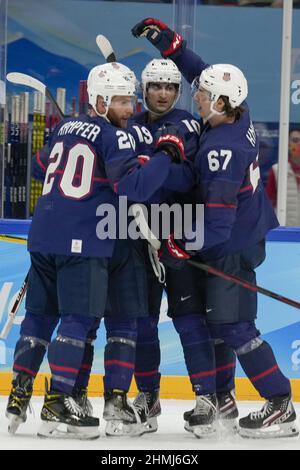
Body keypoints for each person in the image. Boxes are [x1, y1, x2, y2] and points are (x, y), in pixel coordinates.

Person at [131, 18, 299, 439]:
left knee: (234, 327)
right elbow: (200, 71)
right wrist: (172, 47)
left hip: (231, 243)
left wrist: (180, 244)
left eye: (204, 95)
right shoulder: (236, 118)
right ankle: (225, 396)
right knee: (222, 322)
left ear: (221, 103)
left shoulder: (222, 151)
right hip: (246, 233)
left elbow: (219, 224)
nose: (196, 95)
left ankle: (280, 401)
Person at [5, 61, 190, 438]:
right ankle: (59, 402)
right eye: (122, 101)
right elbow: (134, 188)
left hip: (43, 235)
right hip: (85, 238)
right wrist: (164, 156)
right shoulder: (116, 135)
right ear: (101, 102)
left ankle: (18, 394)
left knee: (39, 317)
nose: (130, 107)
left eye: (130, 99)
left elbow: (42, 168)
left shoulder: (65, 127)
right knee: (78, 320)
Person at [128, 58, 238, 434]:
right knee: (141, 322)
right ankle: (148, 397)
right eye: (156, 86)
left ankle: (206, 398)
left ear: (178, 92)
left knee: (190, 322)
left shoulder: (190, 125)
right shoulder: (130, 126)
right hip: (136, 236)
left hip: (179, 235)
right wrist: (149, 164)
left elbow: (191, 176)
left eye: (171, 87)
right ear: (144, 90)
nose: (163, 93)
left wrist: (149, 166)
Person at [266, 128, 300, 226]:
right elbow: (269, 203)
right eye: (295, 140)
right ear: (288, 145)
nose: (298, 144)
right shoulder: (277, 170)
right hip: (284, 231)